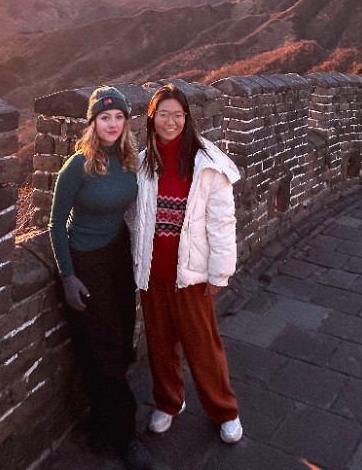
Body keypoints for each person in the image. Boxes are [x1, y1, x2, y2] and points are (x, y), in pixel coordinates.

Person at [129, 83, 244, 444]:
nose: (170, 121)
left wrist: (219, 272)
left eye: (177, 115)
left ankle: (224, 410)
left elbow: (222, 222)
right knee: (160, 344)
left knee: (203, 346)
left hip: (191, 274)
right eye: (163, 114)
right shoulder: (145, 161)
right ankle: (168, 402)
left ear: (187, 118)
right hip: (154, 272)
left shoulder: (207, 164)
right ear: (152, 118)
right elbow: (136, 215)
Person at [48, 86, 151, 470]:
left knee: (121, 338)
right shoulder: (77, 166)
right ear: (93, 123)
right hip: (85, 258)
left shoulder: (129, 162)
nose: (112, 123)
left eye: (119, 117)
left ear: (126, 122)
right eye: (104, 117)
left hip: (117, 253)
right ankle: (126, 437)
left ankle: (102, 419)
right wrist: (67, 275)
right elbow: (56, 224)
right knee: (104, 345)